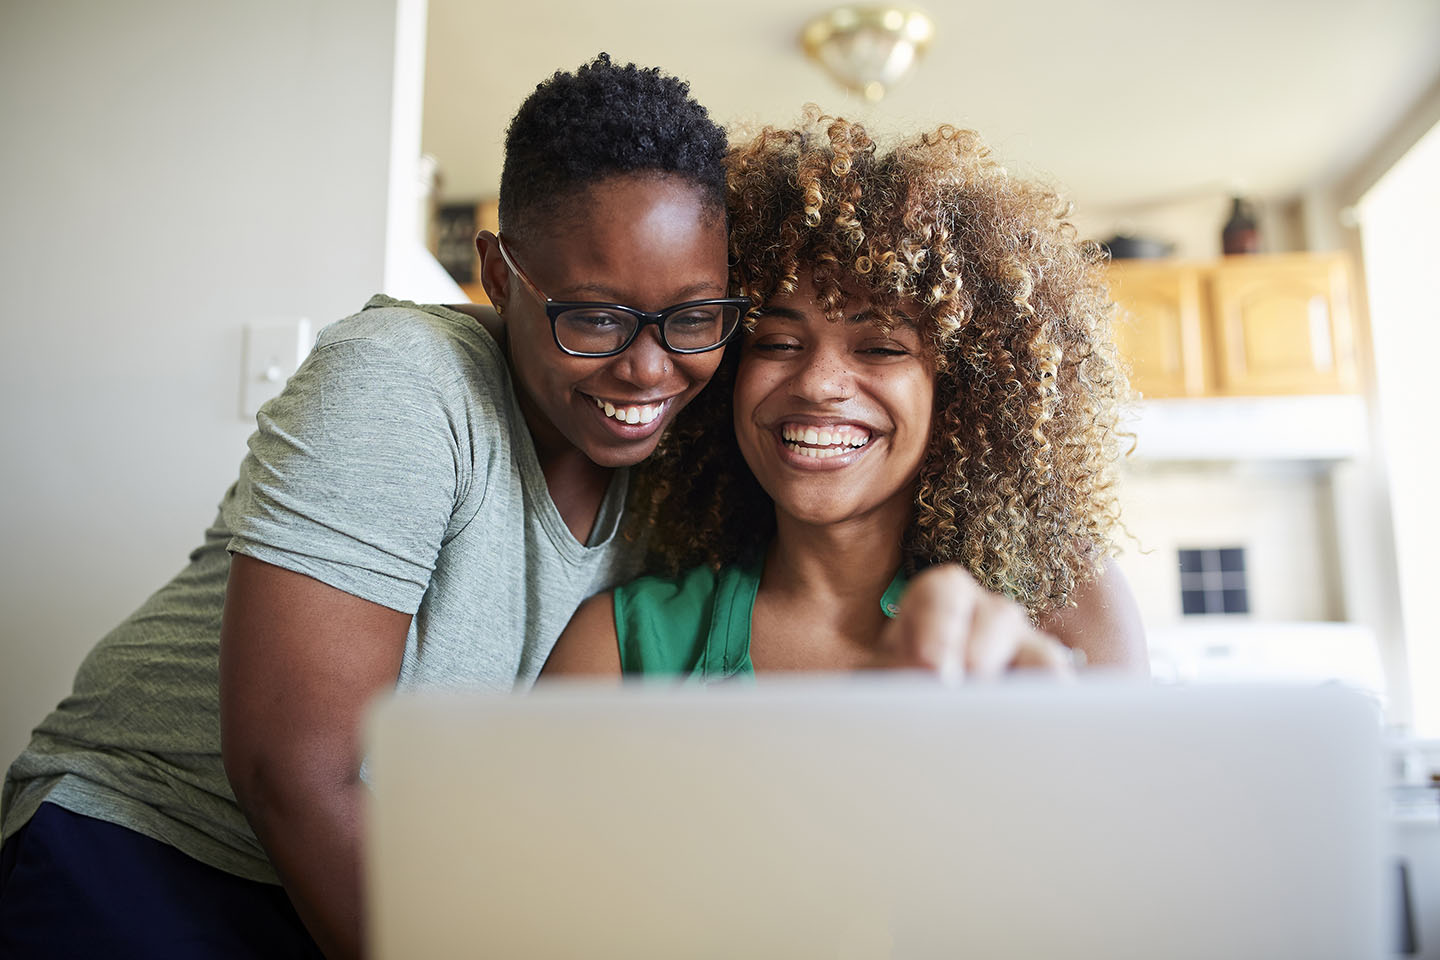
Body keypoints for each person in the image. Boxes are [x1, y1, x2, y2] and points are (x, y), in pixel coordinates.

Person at [0, 55, 743, 958]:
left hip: (369, 881)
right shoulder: (403, 378)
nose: (649, 368)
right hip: (150, 844)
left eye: (693, 317)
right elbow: (293, 775)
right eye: (593, 317)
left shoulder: (683, 474)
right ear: (500, 277)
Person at [544, 112, 1147, 680]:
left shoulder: (1066, 608)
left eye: (881, 348)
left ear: (962, 386)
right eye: (777, 342)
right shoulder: (619, 648)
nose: (816, 382)